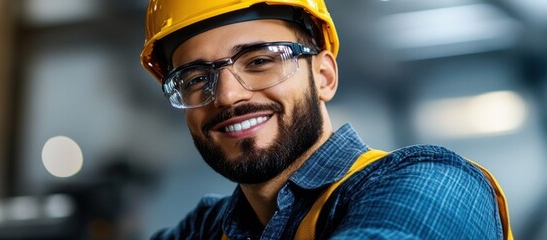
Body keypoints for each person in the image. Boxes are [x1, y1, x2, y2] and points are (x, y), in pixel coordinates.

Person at [139, 0, 513, 239]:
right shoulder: (207, 227)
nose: (227, 95)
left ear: (324, 77)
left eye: (259, 61)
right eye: (195, 78)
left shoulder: (437, 183)